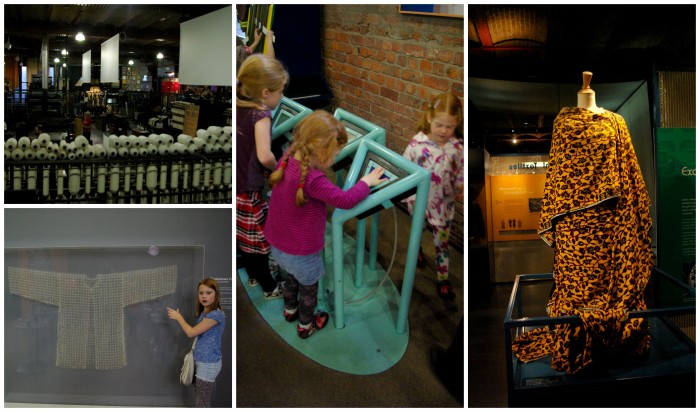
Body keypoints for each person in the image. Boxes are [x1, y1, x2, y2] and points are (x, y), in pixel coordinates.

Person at [264, 110, 388, 338]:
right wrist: (365, 182)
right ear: (321, 153)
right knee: (309, 286)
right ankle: (305, 325)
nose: (334, 159)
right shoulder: (314, 179)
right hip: (301, 251)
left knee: (291, 277)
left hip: (278, 245)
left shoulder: (287, 158)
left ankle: (290, 310)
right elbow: (345, 200)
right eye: (334, 154)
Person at [236, 53, 289, 299]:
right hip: (249, 188)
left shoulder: (239, 102)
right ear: (266, 93)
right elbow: (264, 154)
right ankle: (270, 287)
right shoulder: (261, 113)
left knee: (244, 239)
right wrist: (279, 167)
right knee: (257, 244)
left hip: (236, 187)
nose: (282, 97)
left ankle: (254, 276)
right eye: (281, 91)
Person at [402, 92, 464, 301]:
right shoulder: (416, 144)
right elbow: (405, 168)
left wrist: (461, 186)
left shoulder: (457, 147)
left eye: (449, 126)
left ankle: (443, 277)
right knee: (417, 231)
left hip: (443, 205)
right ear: (429, 118)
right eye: (440, 125)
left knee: (441, 243)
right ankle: (416, 251)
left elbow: (461, 171)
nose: (444, 130)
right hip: (418, 201)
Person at [167, 278, 226, 408]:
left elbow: (191, 333)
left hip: (208, 363)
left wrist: (179, 318)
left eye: (208, 292)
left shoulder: (215, 315)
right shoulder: (206, 312)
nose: (204, 296)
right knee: (201, 400)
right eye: (201, 293)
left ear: (216, 294)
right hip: (202, 361)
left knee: (202, 402)